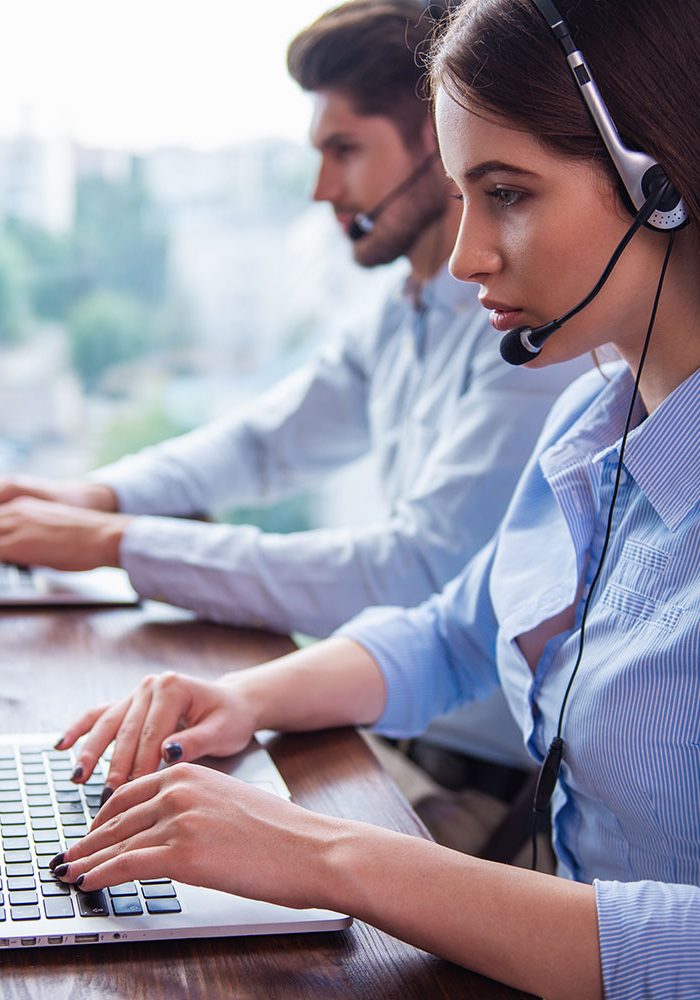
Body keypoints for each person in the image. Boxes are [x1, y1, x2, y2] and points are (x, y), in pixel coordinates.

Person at [43, 0, 700, 996]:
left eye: (509, 192)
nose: (470, 253)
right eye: (462, 192)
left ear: (661, 185)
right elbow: (449, 629)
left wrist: (332, 858)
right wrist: (238, 700)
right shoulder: (588, 425)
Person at [0, 1, 590, 827]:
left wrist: (116, 544)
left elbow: (409, 574)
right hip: (383, 730)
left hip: (476, 783)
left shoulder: (543, 351)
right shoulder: (408, 307)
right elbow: (264, 441)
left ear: (437, 139)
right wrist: (90, 501)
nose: (322, 190)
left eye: (345, 150)